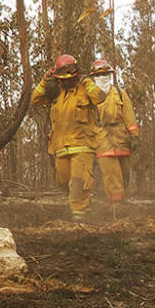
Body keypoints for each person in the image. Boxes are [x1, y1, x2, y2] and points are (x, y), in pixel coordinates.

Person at [31, 54, 105, 218]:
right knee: (62, 180)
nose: (67, 82)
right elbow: (35, 99)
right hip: (61, 146)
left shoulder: (85, 89)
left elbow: (100, 98)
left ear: (76, 75)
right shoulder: (55, 93)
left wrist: (87, 82)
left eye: (70, 78)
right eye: (63, 79)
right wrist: (45, 81)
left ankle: (78, 213)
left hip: (83, 144)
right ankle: (79, 202)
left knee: (79, 179)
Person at [89, 58, 139, 204]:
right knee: (111, 174)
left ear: (109, 75)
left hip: (121, 137)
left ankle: (121, 199)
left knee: (124, 174)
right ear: (93, 78)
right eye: (98, 76)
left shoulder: (120, 93)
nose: (102, 78)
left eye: (105, 74)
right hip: (102, 138)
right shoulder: (90, 97)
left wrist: (134, 136)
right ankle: (116, 205)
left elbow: (129, 116)